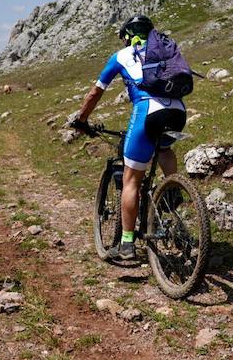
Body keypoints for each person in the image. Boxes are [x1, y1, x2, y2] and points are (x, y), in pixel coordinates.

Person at [71, 15, 187, 261]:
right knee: (163, 148)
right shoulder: (165, 49)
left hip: (147, 111)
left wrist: (81, 119)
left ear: (126, 36)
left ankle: (126, 243)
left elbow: (95, 93)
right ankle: (172, 188)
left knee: (131, 180)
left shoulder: (121, 56)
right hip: (177, 111)